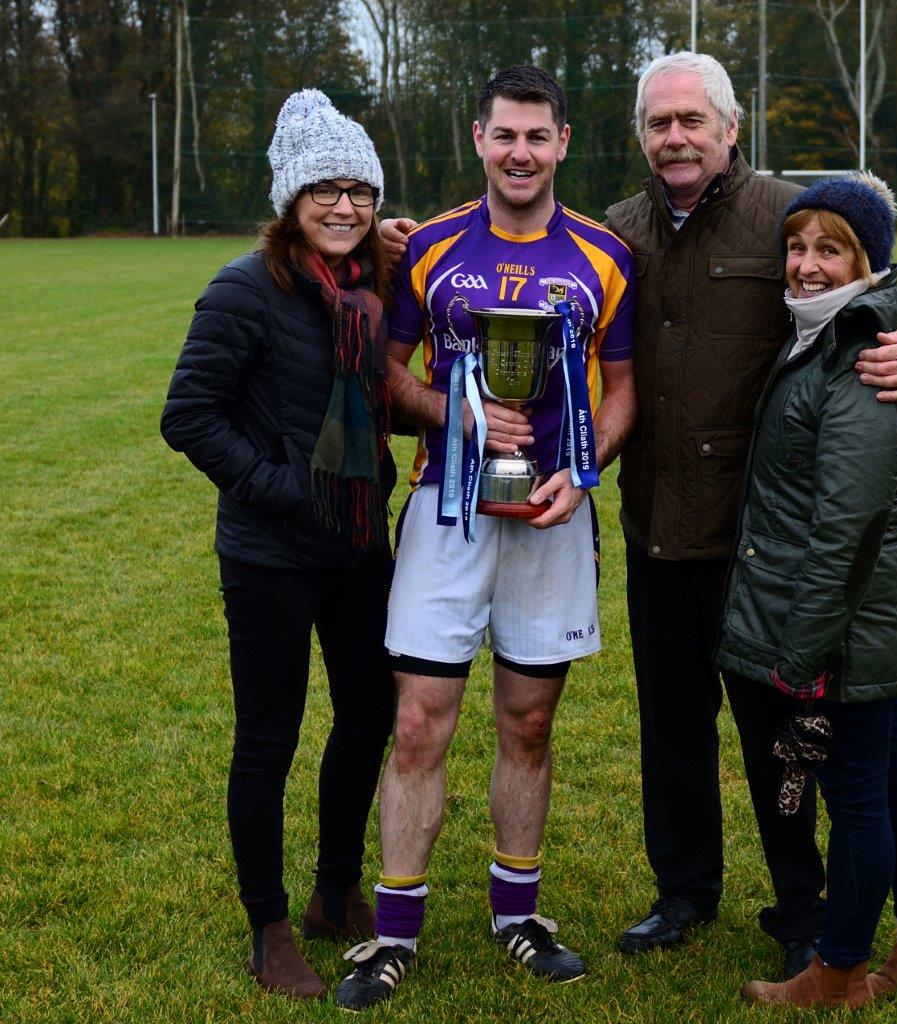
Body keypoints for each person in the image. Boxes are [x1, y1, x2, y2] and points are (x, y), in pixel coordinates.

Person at [604, 52, 897, 978]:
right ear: (641, 135)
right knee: (671, 731)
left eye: (692, 120)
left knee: (783, 744)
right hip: (656, 530)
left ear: (731, 128)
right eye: (657, 123)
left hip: (759, 547)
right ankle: (683, 892)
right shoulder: (618, 230)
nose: (674, 138)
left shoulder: (786, 216)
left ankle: (803, 909)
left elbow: (893, 293)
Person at [334, 65, 636, 1011]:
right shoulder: (427, 247)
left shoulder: (604, 255)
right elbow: (385, 374)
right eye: (503, 135)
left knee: (529, 721)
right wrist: (454, 417)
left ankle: (518, 913)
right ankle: (393, 933)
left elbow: (622, 392)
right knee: (420, 720)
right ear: (478, 140)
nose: (519, 152)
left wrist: (583, 474)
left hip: (552, 515)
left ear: (563, 143)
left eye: (536, 137)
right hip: (446, 510)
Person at [160, 89, 397, 1000]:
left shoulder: (373, 285)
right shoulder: (242, 290)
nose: (345, 207)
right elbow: (188, 415)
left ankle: (337, 891)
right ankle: (269, 924)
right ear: (289, 200)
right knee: (270, 737)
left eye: (361, 191)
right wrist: (280, 489)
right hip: (269, 552)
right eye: (325, 190)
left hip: (360, 545)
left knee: (368, 714)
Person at [715, 171, 897, 1008]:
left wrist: (802, 653)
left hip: (846, 621)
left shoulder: (864, 355)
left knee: (857, 794)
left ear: (869, 261)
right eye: (796, 246)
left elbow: (844, 527)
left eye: (831, 249)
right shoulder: (821, 332)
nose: (807, 266)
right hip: (862, 615)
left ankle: (841, 969)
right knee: (894, 772)